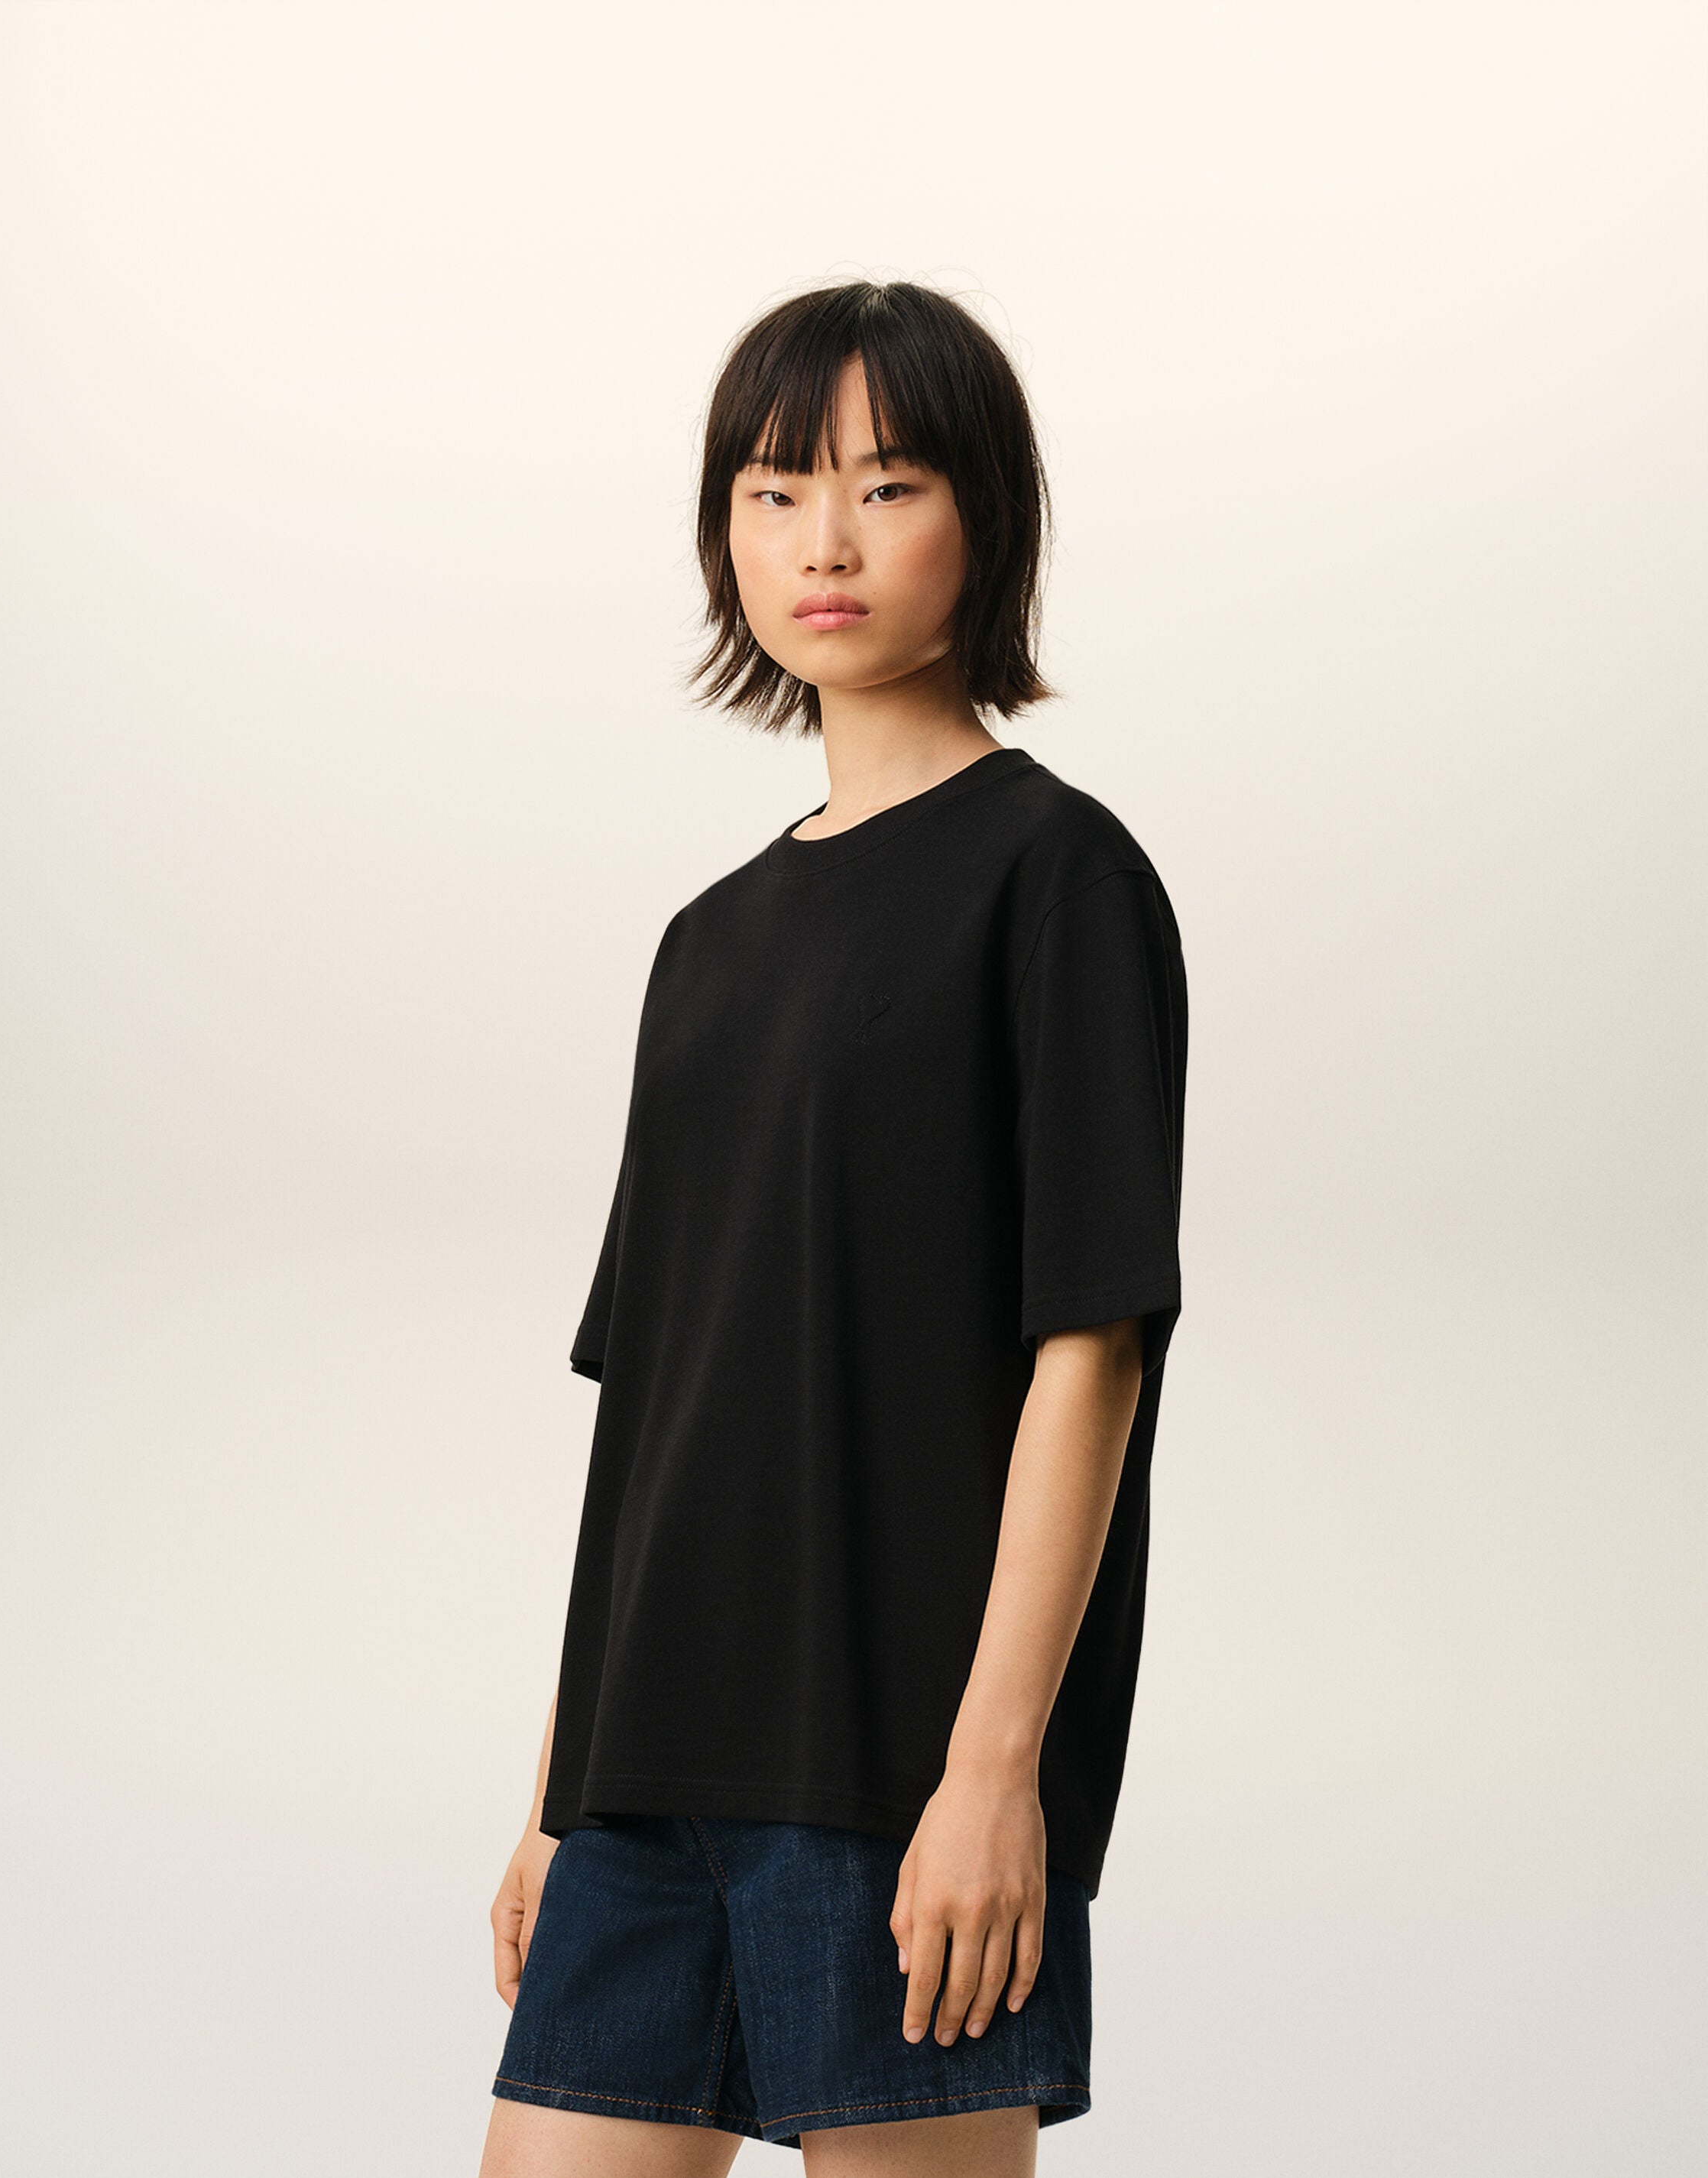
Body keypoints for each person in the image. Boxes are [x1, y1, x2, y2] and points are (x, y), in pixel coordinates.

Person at [479, 279, 1187, 2178]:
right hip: (645, 1781)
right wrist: (557, 1793)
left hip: (893, 1774)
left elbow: (1092, 1347)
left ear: (987, 518)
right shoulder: (706, 944)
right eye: (777, 492)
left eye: (887, 486)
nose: (827, 544)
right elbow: (652, 1412)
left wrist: (994, 1773)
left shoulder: (1058, 877)